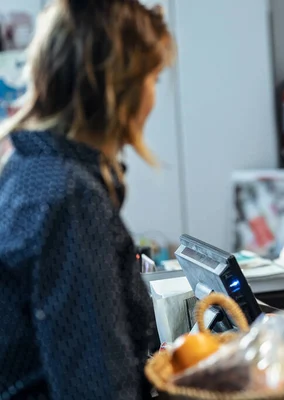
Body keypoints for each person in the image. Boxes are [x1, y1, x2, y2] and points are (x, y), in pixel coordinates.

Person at [0, 0, 174, 399]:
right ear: (118, 86)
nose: (152, 97)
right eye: (153, 80)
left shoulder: (25, 168)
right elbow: (97, 387)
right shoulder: (72, 198)